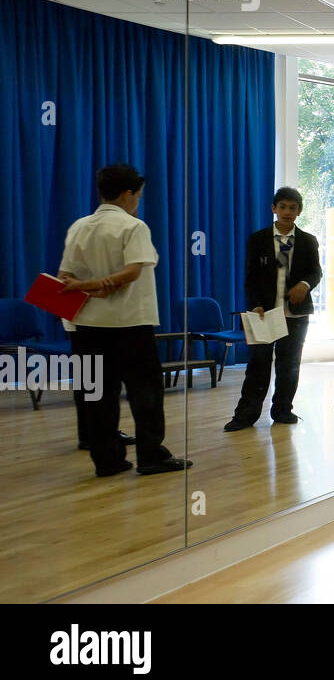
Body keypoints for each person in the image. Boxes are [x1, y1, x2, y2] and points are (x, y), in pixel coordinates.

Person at [57, 163, 190, 477]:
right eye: (138, 196)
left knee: (96, 395)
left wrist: (87, 287)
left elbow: (65, 277)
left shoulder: (79, 226)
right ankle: (150, 456)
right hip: (129, 324)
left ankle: (108, 461)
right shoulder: (134, 227)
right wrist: (101, 285)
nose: (138, 202)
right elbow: (132, 272)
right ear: (129, 194)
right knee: (146, 394)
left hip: (86, 325)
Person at [225, 187, 321, 431]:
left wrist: (304, 284)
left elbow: (315, 272)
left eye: (293, 208)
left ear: (299, 211)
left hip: (295, 314)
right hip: (264, 313)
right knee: (257, 365)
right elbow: (251, 277)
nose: (287, 212)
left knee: (289, 365)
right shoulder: (258, 239)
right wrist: (255, 303)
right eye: (283, 207)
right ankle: (245, 415)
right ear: (274, 209)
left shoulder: (308, 241)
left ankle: (282, 410)